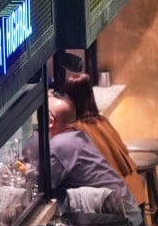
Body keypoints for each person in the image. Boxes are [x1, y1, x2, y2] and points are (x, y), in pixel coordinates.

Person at [47, 93, 142, 226]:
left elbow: (43, 186)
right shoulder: (77, 136)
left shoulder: (59, 144)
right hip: (131, 213)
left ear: (51, 121)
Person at [61, 71, 147, 210]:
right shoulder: (102, 121)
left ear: (69, 100)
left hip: (118, 207)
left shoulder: (77, 133)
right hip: (137, 195)